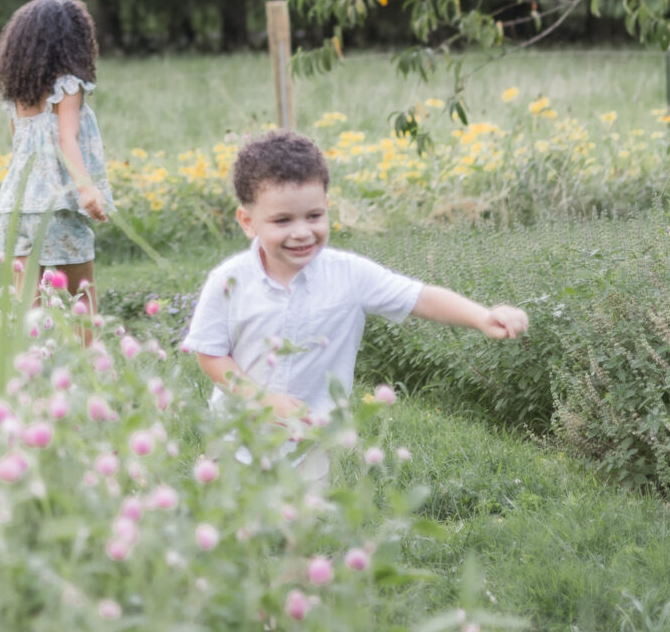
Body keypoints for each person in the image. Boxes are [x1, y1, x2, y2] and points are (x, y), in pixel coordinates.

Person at [183, 128, 527, 462]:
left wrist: (482, 316)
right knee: (239, 520)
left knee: (303, 519)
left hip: (309, 443)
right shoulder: (229, 281)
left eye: (314, 216)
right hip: (237, 439)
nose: (302, 232)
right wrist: (261, 400)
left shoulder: (348, 274)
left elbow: (419, 297)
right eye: (282, 221)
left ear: (327, 206)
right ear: (248, 221)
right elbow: (211, 354)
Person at [0, 0, 111, 314]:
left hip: (18, 208)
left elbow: (18, 149)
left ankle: (27, 362)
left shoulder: (17, 95)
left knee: (28, 304)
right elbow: (65, 138)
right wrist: (86, 189)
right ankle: (90, 362)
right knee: (80, 296)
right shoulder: (68, 85)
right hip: (58, 206)